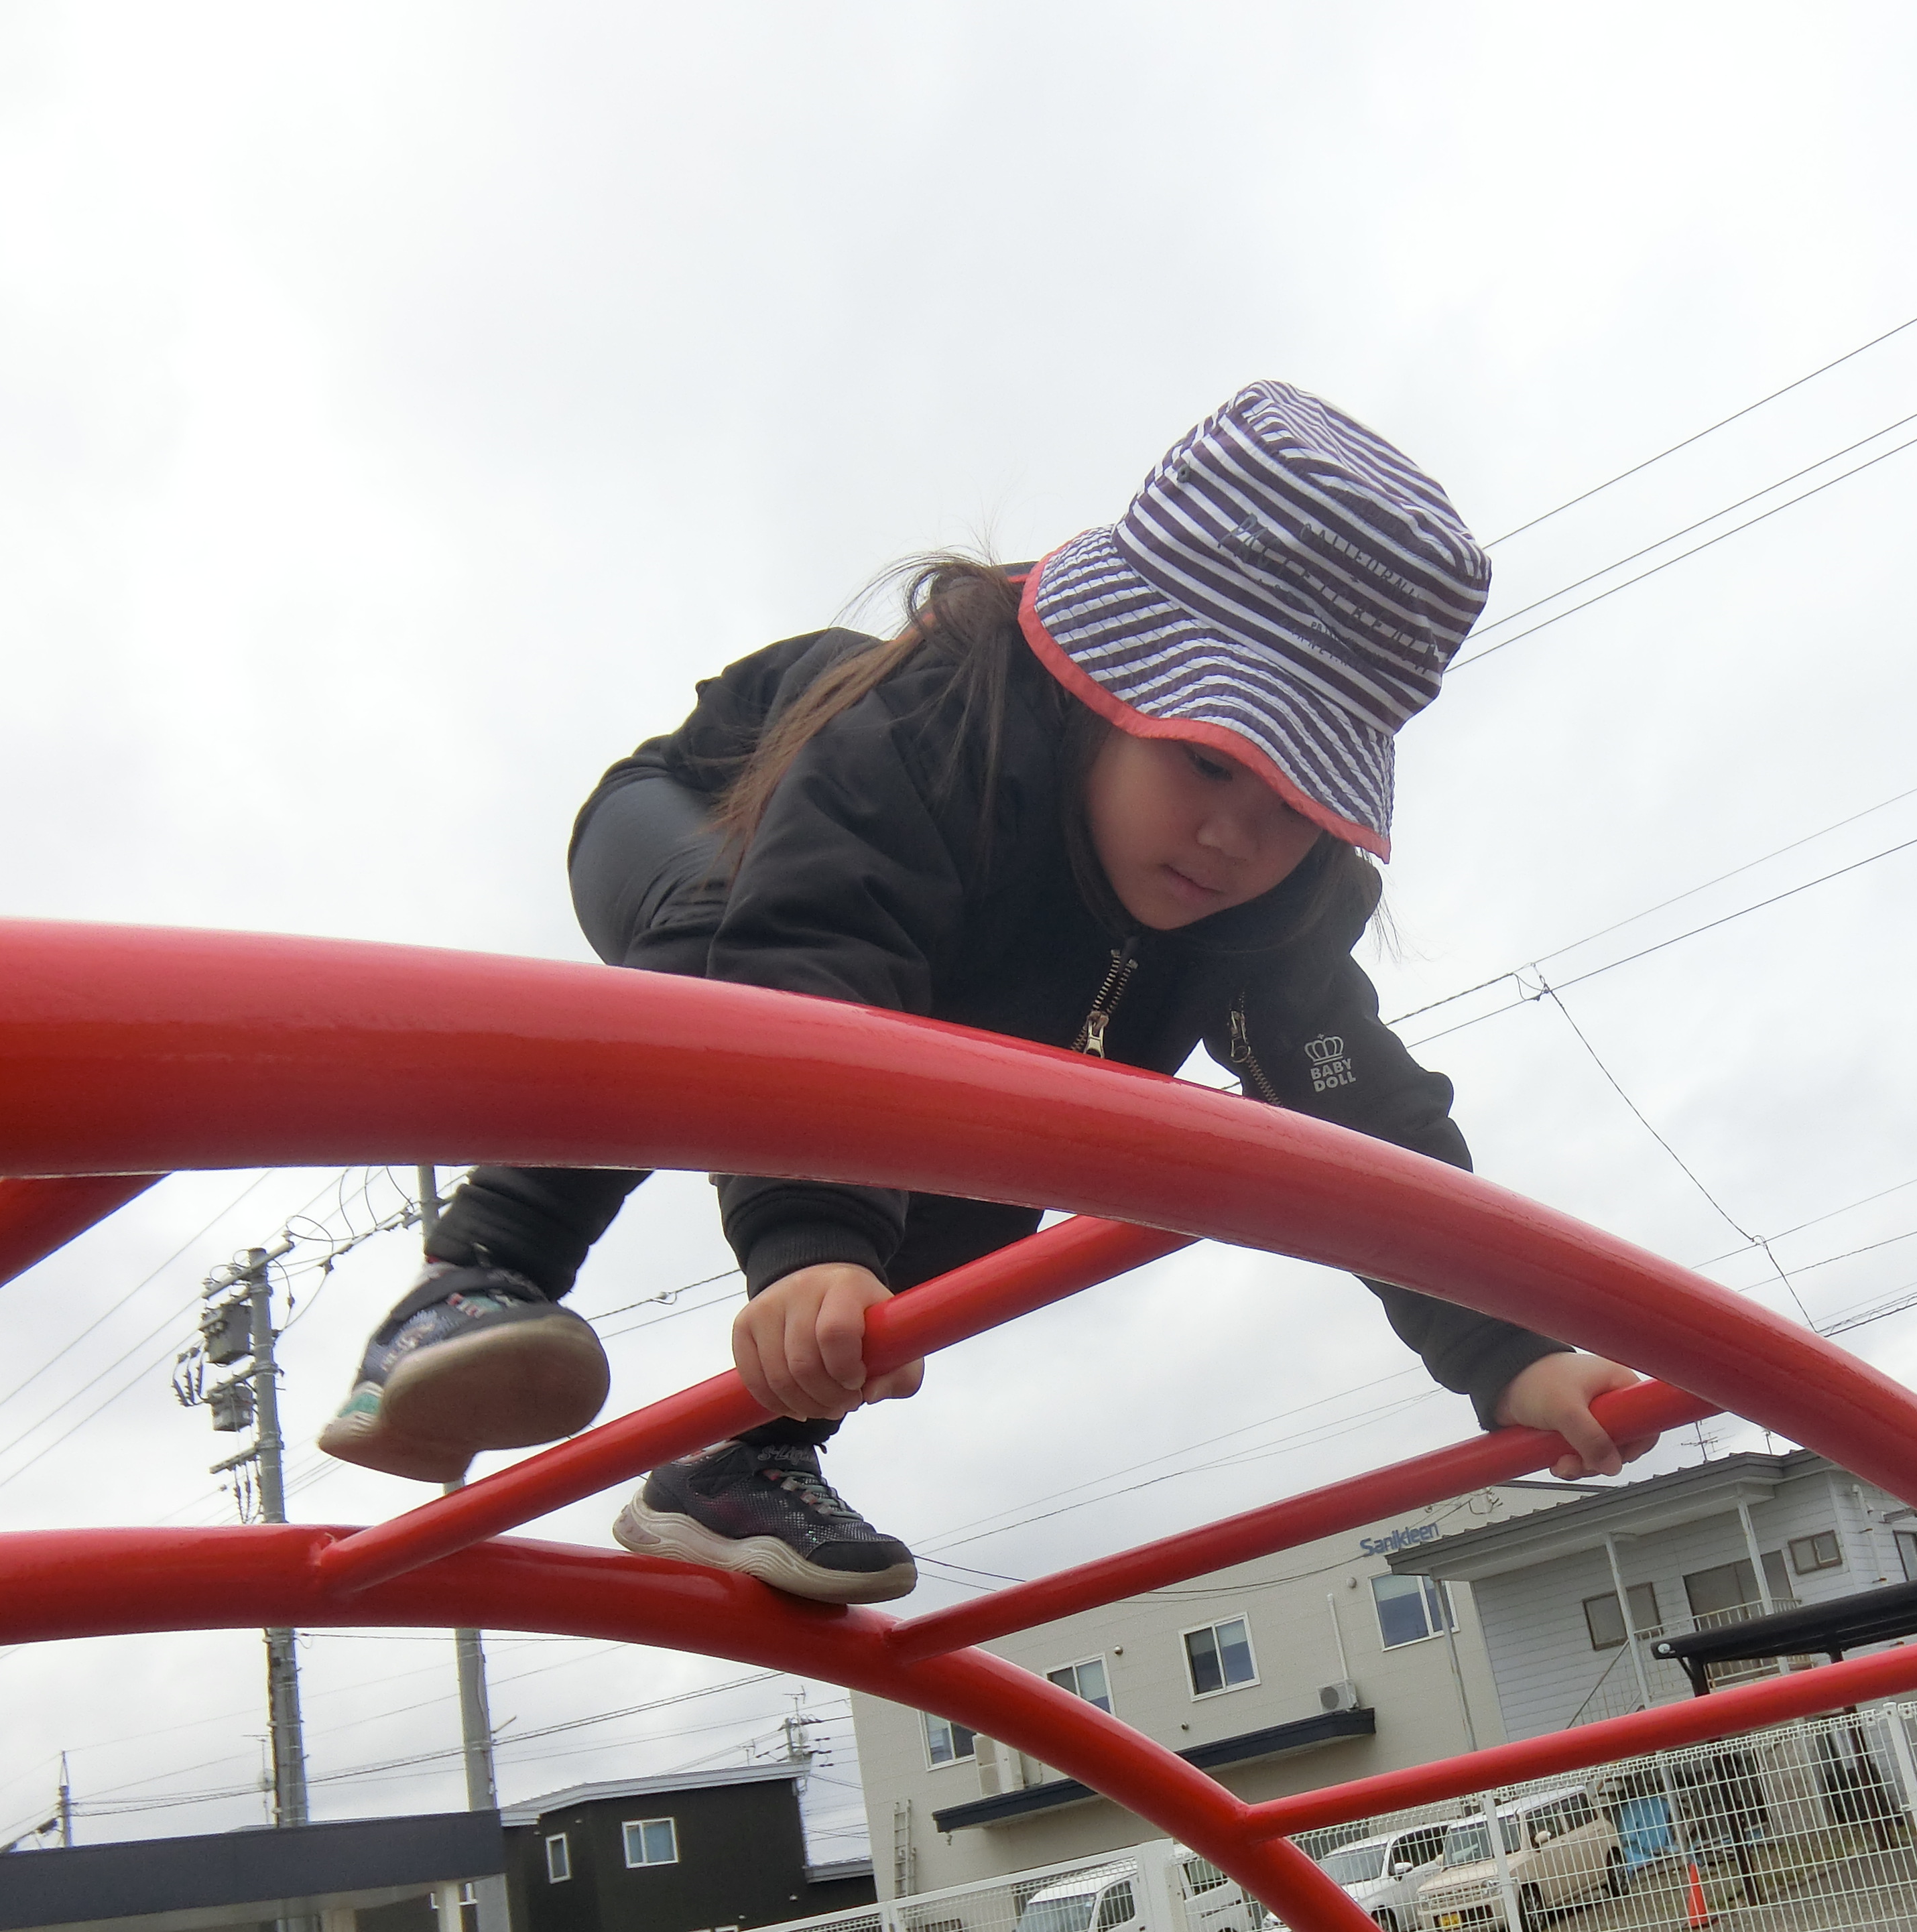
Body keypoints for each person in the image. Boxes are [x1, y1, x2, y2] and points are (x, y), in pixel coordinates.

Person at [320, 381, 1658, 1603]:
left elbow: (1367, 1125)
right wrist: (812, 1242)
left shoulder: (1264, 921)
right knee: (713, 963)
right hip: (705, 826)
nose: (1233, 838)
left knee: (994, 1169)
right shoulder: (944, 724)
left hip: (907, 1004)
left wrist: (1511, 1354)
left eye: (1297, 804)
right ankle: (479, 1276)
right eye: (1206, 759)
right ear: (1108, 684)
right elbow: (811, 960)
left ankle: (748, 1460)